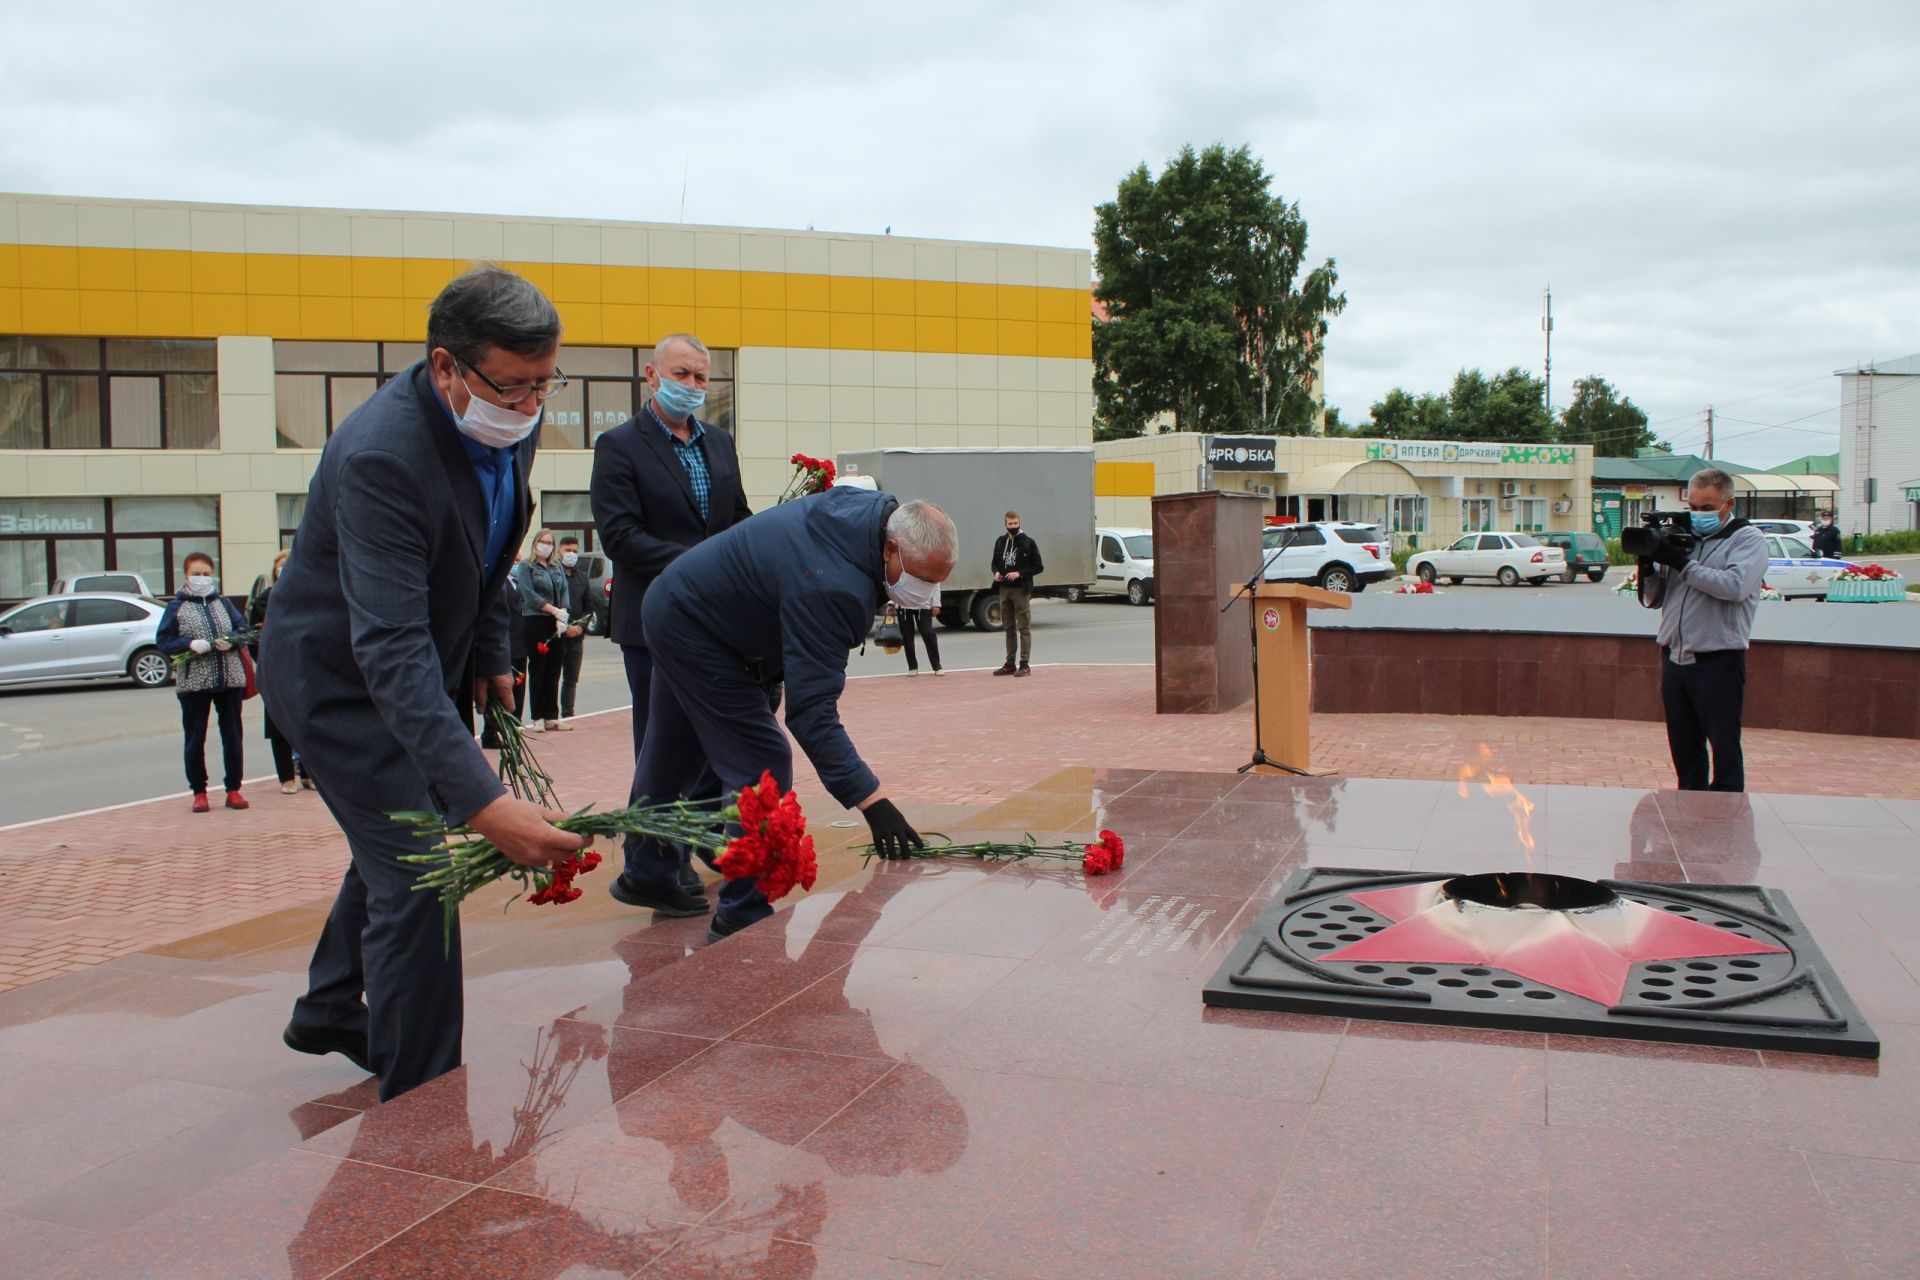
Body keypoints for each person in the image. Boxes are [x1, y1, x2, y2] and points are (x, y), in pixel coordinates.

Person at [263, 265, 586, 1100]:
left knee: (391, 840)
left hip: (415, 665)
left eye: (544, 385)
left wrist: (489, 656)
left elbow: (488, 555)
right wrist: (485, 803)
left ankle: (333, 1005)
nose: (528, 407)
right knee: (416, 873)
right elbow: (390, 647)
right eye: (512, 387)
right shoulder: (382, 456)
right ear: (446, 367)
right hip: (337, 683)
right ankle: (424, 1104)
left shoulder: (507, 422)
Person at [608, 490, 956, 941]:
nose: (927, 594)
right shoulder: (833, 583)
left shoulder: (866, 517)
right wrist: (871, 800)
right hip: (698, 628)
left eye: (937, 582)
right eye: (921, 578)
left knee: (671, 753)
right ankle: (742, 912)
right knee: (761, 759)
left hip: (677, 602)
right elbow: (812, 711)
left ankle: (647, 873)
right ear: (890, 547)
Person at [589, 333, 753, 761]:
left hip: (718, 619)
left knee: (717, 734)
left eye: (701, 377)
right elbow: (620, 536)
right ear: (652, 375)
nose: (693, 385)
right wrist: (702, 563)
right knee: (659, 741)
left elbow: (738, 517)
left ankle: (711, 824)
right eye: (681, 374)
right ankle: (654, 827)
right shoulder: (618, 445)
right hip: (652, 617)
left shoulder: (719, 443)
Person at [1646, 468, 1769, 792]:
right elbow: (1654, 598)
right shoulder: (1682, 537)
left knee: (1724, 752)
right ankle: (1689, 819)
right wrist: (1649, 565)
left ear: (1728, 503)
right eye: (1694, 507)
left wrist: (1683, 564)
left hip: (1718, 660)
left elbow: (1735, 586)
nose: (1698, 515)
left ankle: (1725, 828)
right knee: (1685, 753)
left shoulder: (1747, 539)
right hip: (1675, 657)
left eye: (1707, 508)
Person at [156, 551, 250, 812]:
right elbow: (163, 641)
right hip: (194, 682)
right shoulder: (177, 607)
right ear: (186, 576)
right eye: (196, 574)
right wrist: (189, 644)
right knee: (195, 738)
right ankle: (199, 792)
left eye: (206, 574)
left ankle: (234, 789)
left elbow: (243, 630)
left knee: (232, 736)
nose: (201, 579)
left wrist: (230, 640)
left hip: (229, 678)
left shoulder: (224, 603)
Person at [248, 548, 311, 794]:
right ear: (274, 571)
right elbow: (252, 636)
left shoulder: (306, 595)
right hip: (275, 670)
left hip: (303, 670)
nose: (283, 570)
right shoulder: (265, 599)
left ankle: (308, 775)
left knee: (305, 725)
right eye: (279, 566)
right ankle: (287, 777)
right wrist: (264, 661)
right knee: (279, 726)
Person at [519, 526, 571, 732]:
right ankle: (538, 716)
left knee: (554, 667)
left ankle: (552, 715)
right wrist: (553, 610)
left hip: (556, 621)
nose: (547, 546)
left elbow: (564, 590)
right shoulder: (527, 566)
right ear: (536, 543)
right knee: (538, 667)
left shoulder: (556, 567)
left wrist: (563, 614)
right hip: (536, 619)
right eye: (544, 542)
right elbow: (528, 593)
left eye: (550, 543)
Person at [991, 510, 1043, 677]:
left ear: (1019, 523)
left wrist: (1020, 573)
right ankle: (1009, 663)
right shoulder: (1000, 541)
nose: (1013, 526)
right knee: (1008, 628)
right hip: (1004, 589)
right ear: (1005, 524)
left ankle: (1024, 664)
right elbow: (994, 563)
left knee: (1024, 627)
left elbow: (1038, 566)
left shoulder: (1028, 542)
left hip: (1021, 589)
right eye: (1010, 524)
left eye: (1015, 523)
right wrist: (997, 572)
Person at [556, 535, 599, 719]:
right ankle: (548, 715)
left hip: (576, 636)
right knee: (551, 678)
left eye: (574, 551)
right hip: (556, 634)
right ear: (559, 552)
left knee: (571, 679)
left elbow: (589, 606)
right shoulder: (552, 573)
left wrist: (580, 627)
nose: (571, 554)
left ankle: (568, 714)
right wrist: (562, 626)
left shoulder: (582, 576)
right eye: (568, 550)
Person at [899, 604, 942, 675]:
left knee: (928, 633)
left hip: (923, 603)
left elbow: (934, 591)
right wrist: (891, 603)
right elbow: (894, 592)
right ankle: (912, 666)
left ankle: (937, 665)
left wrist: (936, 604)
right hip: (903, 605)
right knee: (907, 636)